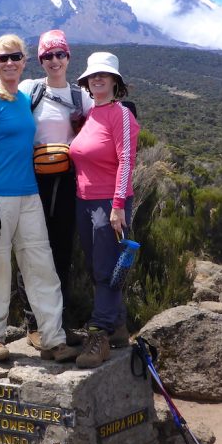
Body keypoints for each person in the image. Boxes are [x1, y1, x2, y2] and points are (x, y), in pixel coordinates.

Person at [0, 33, 79, 364]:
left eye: (15, 57)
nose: (9, 63)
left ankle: (53, 338)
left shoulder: (24, 97)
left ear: (24, 62)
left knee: (41, 266)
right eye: (2, 58)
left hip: (29, 194)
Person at [68, 51, 140, 368]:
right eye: (93, 75)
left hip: (109, 203)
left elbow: (127, 161)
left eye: (104, 75)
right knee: (102, 266)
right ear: (86, 82)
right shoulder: (89, 116)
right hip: (85, 202)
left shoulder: (121, 115)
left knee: (105, 269)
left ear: (115, 81)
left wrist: (119, 205)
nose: (97, 79)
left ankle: (99, 334)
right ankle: (119, 327)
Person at [15, 29, 84, 350]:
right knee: (31, 248)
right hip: (33, 180)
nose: (54, 61)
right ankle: (33, 323)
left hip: (67, 182)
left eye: (60, 54)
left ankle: (58, 323)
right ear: (40, 60)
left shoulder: (78, 95)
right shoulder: (31, 89)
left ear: (69, 57)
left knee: (61, 251)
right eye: (47, 56)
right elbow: (1, 94)